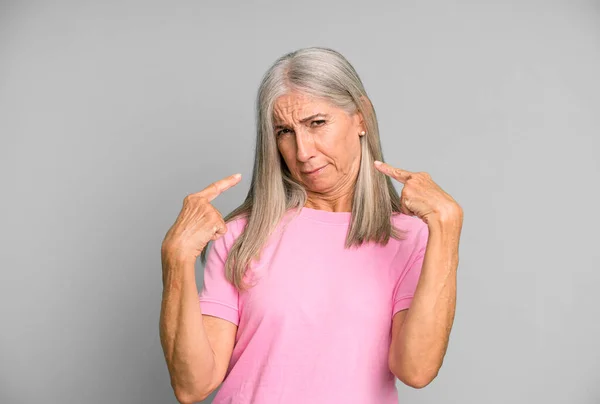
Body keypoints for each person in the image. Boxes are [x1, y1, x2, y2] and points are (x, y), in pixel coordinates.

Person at [159, 46, 463, 404]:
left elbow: (417, 369)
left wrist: (446, 227)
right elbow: (192, 386)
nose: (302, 151)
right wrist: (175, 259)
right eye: (285, 132)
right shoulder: (242, 235)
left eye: (316, 123)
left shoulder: (409, 237)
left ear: (361, 116)